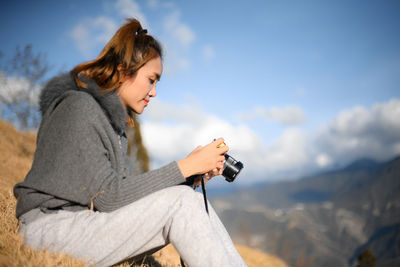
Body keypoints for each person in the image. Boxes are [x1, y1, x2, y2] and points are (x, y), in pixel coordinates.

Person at [13, 18, 247, 267]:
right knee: (182, 202)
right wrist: (186, 166)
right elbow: (108, 198)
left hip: (78, 224)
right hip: (49, 228)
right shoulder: (79, 107)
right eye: (151, 79)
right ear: (124, 71)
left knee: (188, 199)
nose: (154, 92)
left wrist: (192, 177)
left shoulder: (113, 126)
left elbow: (123, 195)